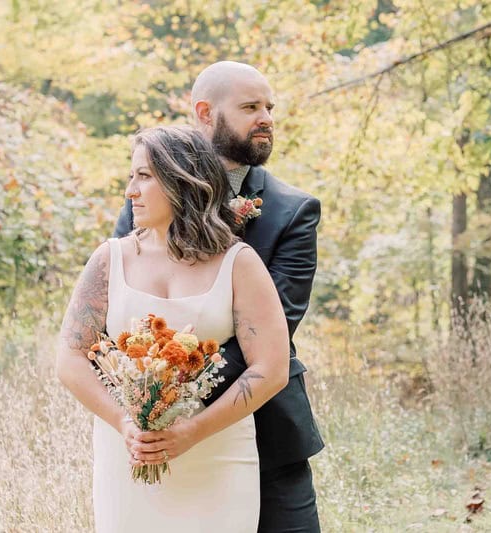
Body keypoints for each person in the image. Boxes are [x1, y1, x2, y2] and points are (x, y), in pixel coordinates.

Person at [114, 61, 325, 532]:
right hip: (156, 429)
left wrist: (180, 396)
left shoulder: (293, 212)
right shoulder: (143, 196)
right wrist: (151, 409)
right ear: (205, 113)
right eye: (251, 107)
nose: (266, 117)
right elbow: (122, 305)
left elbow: (276, 325)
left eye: (270, 107)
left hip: (266, 427)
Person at [57, 125, 290, 532]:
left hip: (218, 455)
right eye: (131, 176)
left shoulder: (240, 263)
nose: (131, 190)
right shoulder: (109, 259)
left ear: (184, 178)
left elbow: (270, 369)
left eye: (144, 176)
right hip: (128, 455)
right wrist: (126, 424)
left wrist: (192, 432)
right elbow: (71, 357)